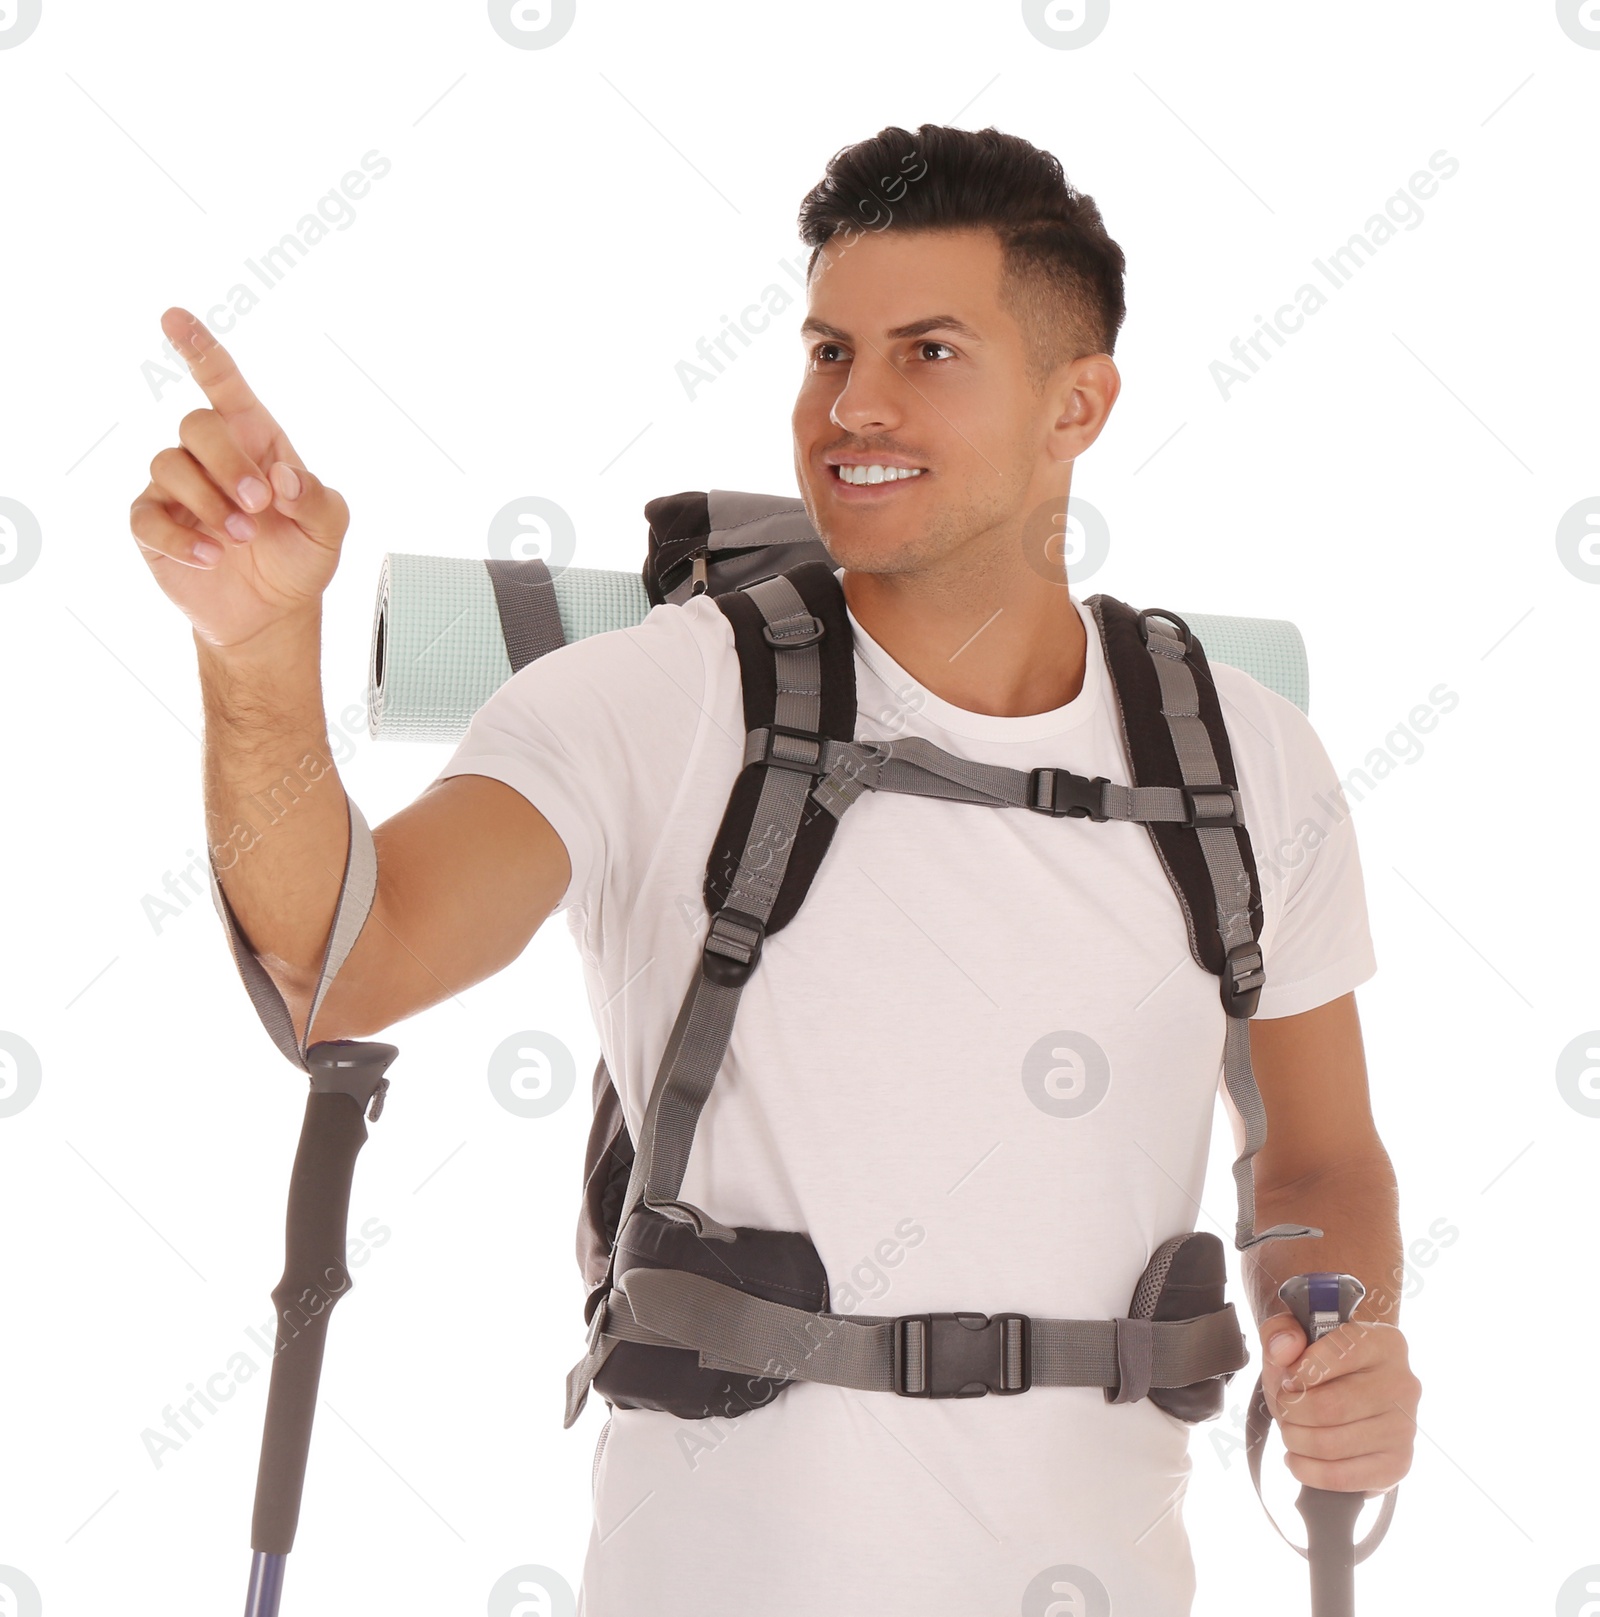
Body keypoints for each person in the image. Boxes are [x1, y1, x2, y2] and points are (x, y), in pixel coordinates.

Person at [129, 121, 1420, 1616]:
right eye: (826, 350)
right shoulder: (658, 701)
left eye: (928, 351)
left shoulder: (1245, 758)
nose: (851, 403)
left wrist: (1346, 1339)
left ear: (1080, 405)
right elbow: (341, 959)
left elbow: (1321, 1160)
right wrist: (256, 649)